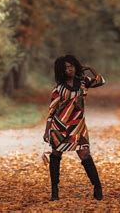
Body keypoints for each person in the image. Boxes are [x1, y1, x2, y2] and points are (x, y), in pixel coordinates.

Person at [43, 54, 106, 201]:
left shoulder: (83, 82)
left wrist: (90, 68)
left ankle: (97, 188)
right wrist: (47, 131)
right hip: (60, 127)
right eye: (65, 68)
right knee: (56, 156)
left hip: (78, 126)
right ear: (61, 71)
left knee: (85, 154)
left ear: (75, 66)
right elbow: (52, 111)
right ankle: (54, 190)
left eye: (71, 66)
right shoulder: (58, 90)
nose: (69, 69)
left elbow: (101, 81)